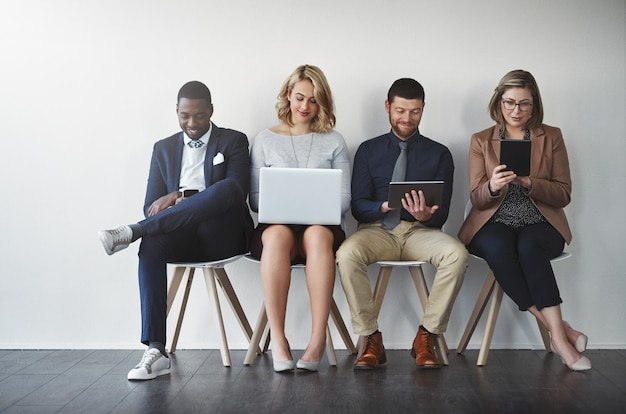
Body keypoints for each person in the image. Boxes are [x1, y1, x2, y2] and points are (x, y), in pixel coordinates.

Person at [98, 81, 254, 380]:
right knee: (152, 244)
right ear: (177, 112)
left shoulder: (233, 141)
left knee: (226, 188)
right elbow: (151, 207)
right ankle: (156, 350)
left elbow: (238, 192)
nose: (192, 123)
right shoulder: (163, 148)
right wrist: (169, 205)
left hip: (221, 235)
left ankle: (131, 232)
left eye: (199, 115)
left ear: (211, 110)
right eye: (185, 116)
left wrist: (180, 196)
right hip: (179, 235)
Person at [458, 69, 590, 371]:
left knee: (529, 249)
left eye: (524, 104)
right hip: (493, 223)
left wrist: (530, 182)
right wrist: (492, 186)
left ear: (534, 105)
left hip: (540, 222)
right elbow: (476, 198)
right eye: (509, 102)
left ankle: (558, 335)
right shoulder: (481, 140)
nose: (516, 111)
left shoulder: (551, 136)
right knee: (501, 249)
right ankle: (560, 333)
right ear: (498, 102)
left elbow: (563, 193)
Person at [336, 78, 468, 370]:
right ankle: (370, 337)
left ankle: (427, 336)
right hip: (377, 230)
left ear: (423, 109)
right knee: (346, 254)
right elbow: (358, 206)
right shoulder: (368, 151)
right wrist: (381, 207)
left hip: (420, 233)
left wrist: (426, 217)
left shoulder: (440, 154)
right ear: (388, 107)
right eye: (400, 110)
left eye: (415, 111)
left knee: (457, 254)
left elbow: (442, 213)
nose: (407, 118)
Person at [248, 65, 351, 372]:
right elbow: (256, 199)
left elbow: (343, 200)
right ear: (288, 96)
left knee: (318, 235)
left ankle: (317, 339)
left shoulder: (334, 141)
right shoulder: (265, 139)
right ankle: (278, 341)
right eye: (300, 97)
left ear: (323, 103)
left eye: (314, 100)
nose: (305, 106)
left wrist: (314, 209)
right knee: (278, 236)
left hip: (321, 226)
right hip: (275, 227)